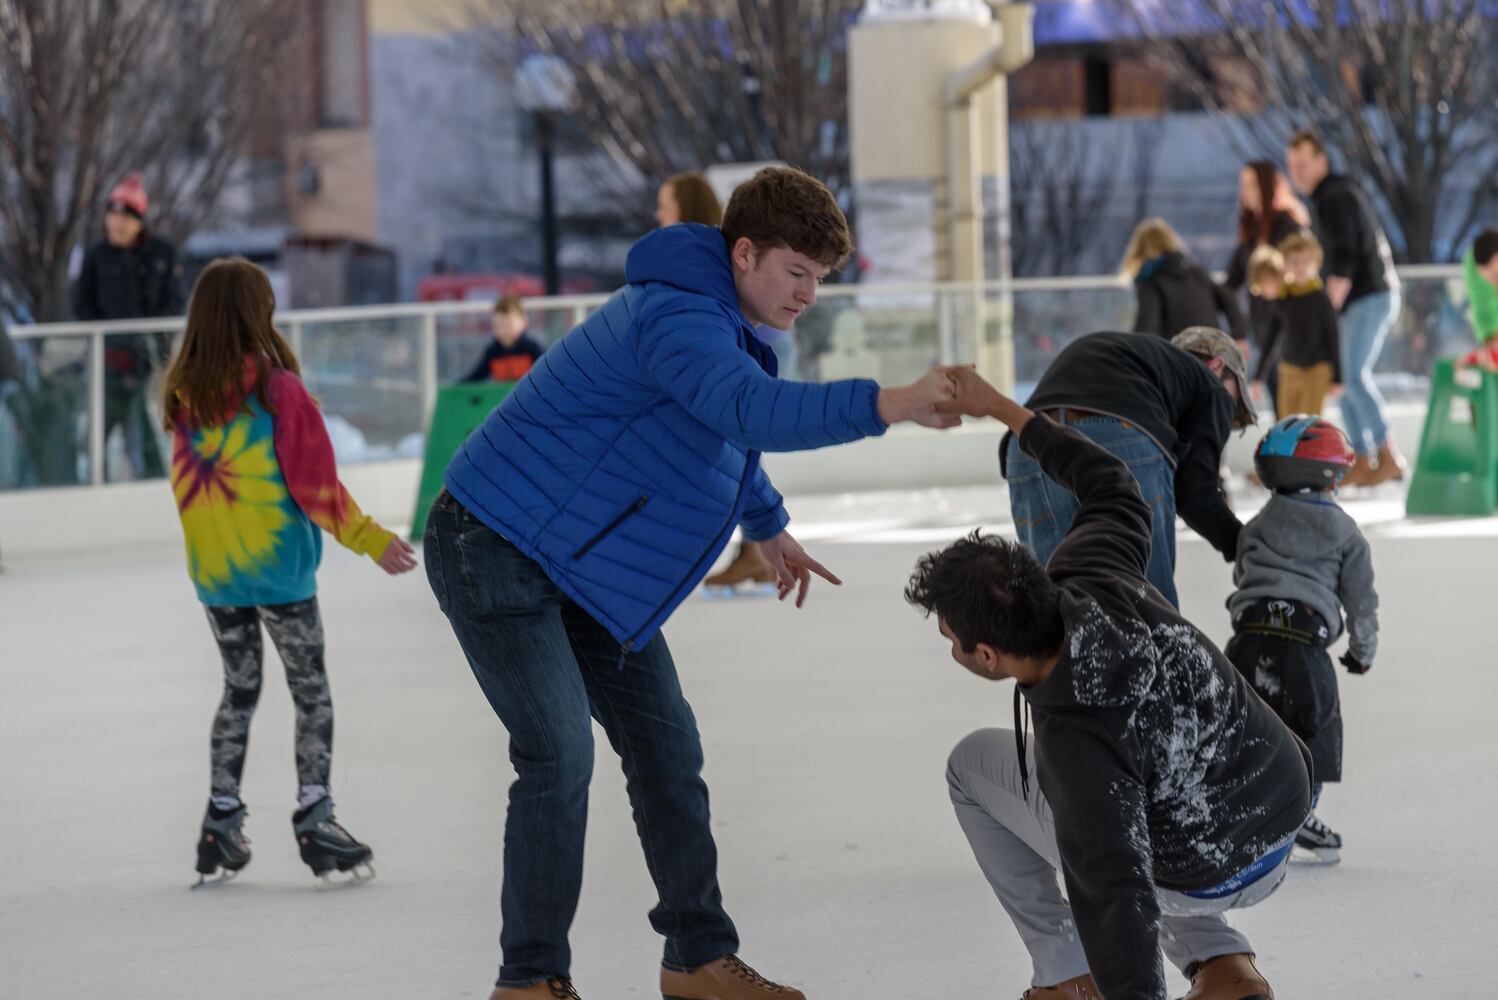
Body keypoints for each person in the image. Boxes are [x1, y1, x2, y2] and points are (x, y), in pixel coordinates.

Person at [424, 166, 962, 1000]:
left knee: (667, 746)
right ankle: (529, 981)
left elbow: (717, 431)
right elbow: (748, 412)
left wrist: (766, 521)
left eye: (819, 280)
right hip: (493, 540)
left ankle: (697, 959)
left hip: (583, 563)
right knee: (557, 751)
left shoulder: (719, 320)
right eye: (798, 273)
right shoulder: (678, 315)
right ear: (744, 253)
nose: (809, 295)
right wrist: (891, 402)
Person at [910, 369, 1312, 1000]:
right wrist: (1001, 409)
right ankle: (1223, 964)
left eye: (951, 640)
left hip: (1205, 869)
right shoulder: (1092, 568)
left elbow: (1115, 894)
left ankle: (1065, 973)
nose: (951, 649)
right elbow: (1111, 484)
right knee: (1158, 795)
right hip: (1282, 809)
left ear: (987, 654)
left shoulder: (1078, 745)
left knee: (972, 769)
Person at [160, 258, 419, 887]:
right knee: (310, 693)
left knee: (239, 692)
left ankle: (219, 823)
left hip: (218, 575)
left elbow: (187, 486)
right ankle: (315, 818)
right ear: (260, 314)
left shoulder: (183, 395)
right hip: (277, 571)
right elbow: (315, 487)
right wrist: (371, 538)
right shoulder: (278, 391)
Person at [1001, 327, 1256, 608]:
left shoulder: (1135, 358)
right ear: (1217, 366)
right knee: (1149, 611)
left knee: (1057, 612)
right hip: (1118, 436)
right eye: (1232, 406)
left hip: (1026, 447)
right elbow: (1195, 494)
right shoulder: (1210, 384)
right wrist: (1248, 547)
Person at [1226, 415, 1378, 866]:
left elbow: (1241, 574)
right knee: (1313, 737)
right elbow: (1362, 602)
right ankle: (1293, 821)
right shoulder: (1347, 534)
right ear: (1331, 473)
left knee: (1245, 734)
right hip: (1303, 650)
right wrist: (1362, 651)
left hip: (1247, 644)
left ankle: (1237, 819)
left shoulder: (1256, 525)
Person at [1286, 130, 1405, 487]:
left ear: (1322, 161)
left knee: (1353, 376)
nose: (1298, 172)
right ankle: (1364, 457)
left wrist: (1330, 302)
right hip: (1362, 298)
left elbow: (1346, 253)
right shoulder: (1330, 195)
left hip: (1369, 296)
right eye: (1293, 166)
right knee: (1345, 381)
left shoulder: (1334, 196)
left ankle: (1389, 454)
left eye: (1304, 164)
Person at [72, 172, 184, 480]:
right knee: (96, 436)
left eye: (126, 218)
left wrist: (159, 350)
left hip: (150, 364)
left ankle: (155, 484)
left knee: (147, 434)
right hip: (108, 365)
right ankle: (93, 483)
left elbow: (174, 303)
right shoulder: (97, 255)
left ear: (140, 222)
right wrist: (103, 345)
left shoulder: (161, 251)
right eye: (112, 216)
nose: (117, 225)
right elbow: (82, 305)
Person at [1224, 160, 1312, 406]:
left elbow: (1300, 285)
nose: (1245, 192)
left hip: (1291, 336)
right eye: (1243, 185)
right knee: (1281, 408)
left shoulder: (1290, 228)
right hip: (1264, 334)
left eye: (1251, 185)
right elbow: (1230, 283)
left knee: (1294, 410)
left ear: (1267, 186)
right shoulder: (1251, 232)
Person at [1255, 233, 1341, 419]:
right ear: (1285, 264)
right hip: (1289, 371)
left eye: (1306, 261)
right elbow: (1270, 337)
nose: (1300, 267)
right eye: (1294, 261)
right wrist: (1258, 376)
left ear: (1315, 263)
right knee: (1287, 423)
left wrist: (1338, 377)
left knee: (1310, 426)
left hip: (1317, 371)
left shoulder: (1321, 299)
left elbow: (1333, 337)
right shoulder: (1283, 299)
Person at [1122, 218, 1247, 343]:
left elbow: (1147, 326)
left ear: (1139, 249)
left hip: (1180, 353)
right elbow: (1228, 297)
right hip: (1213, 349)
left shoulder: (1150, 280)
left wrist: (1132, 352)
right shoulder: (1195, 271)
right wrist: (1239, 336)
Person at [462, 294, 545, 383]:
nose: (503, 330)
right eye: (498, 325)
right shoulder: (493, 351)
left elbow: (546, 373)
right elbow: (476, 376)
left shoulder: (531, 348)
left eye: (509, 325)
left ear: (523, 322)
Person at [1462, 228, 1498, 350]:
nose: (1493, 281)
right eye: (1489, 278)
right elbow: (1482, 308)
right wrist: (1489, 341)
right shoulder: (1474, 268)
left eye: (1495, 275)